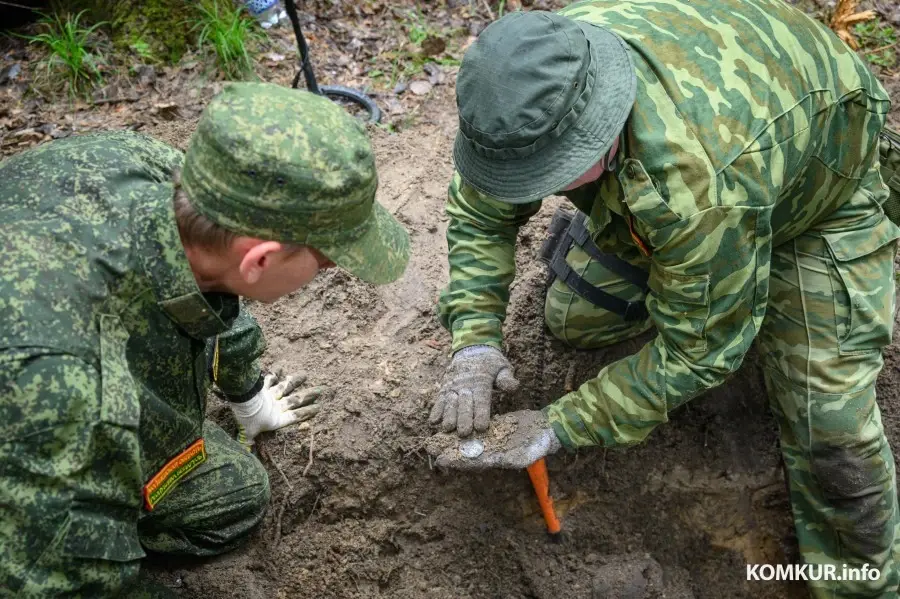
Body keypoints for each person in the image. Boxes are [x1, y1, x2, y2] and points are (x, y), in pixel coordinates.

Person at [429, 1, 899, 597]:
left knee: (831, 431)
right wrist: (474, 339)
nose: (532, 191)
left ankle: (861, 584)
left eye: (549, 173)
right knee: (575, 318)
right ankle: (703, 274)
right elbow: (480, 212)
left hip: (821, 191)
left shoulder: (696, 183)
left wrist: (559, 424)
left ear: (601, 129)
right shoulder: (529, 85)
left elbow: (699, 351)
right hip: (718, 180)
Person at [0, 82, 409, 597]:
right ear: (261, 259)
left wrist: (248, 393)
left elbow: (210, 282)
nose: (330, 271)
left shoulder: (135, 161)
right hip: (29, 447)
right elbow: (50, 587)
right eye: (326, 261)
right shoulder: (65, 383)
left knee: (236, 497)